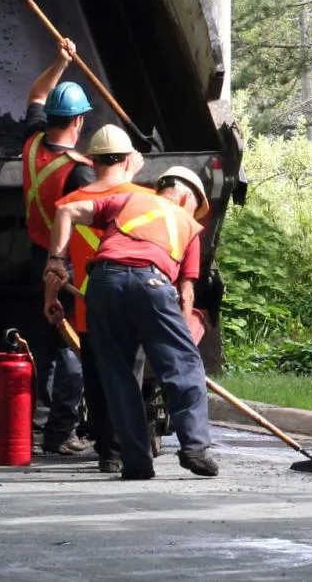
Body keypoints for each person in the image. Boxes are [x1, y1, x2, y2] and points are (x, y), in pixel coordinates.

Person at [43, 166, 218, 480]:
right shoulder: (188, 225)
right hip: (151, 283)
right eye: (195, 206)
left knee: (119, 378)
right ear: (184, 195)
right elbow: (186, 293)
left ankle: (136, 462)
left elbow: (66, 210)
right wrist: (182, 345)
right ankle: (195, 448)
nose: (195, 214)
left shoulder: (126, 201)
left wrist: (56, 261)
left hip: (102, 285)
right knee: (184, 367)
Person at [51, 124, 151, 473]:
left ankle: (107, 451)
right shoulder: (142, 199)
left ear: (91, 163)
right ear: (126, 160)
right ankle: (124, 448)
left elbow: (55, 266)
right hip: (134, 304)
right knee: (129, 377)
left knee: (97, 379)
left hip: (89, 306)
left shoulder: (70, 204)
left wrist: (51, 298)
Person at [21, 38, 96, 455]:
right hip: (64, 265)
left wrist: (60, 63)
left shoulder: (31, 143)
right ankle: (60, 433)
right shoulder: (79, 174)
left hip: (34, 254)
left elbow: (36, 93)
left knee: (40, 345)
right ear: (80, 122)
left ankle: (31, 427)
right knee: (71, 348)